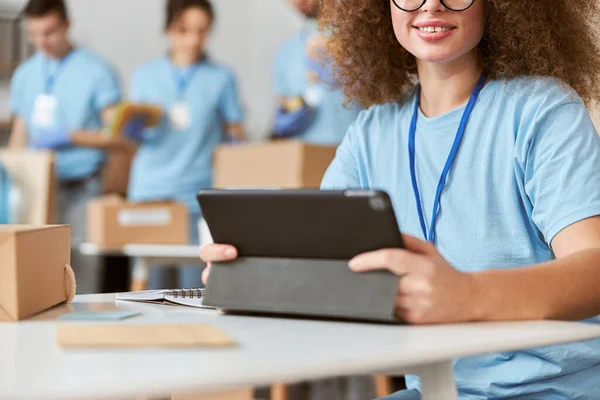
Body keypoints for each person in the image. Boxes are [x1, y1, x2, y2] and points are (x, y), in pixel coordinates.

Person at [201, 0, 600, 398]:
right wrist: (252, 277)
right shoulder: (369, 134)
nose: (431, 6)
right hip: (437, 390)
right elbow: (321, 266)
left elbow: (594, 270)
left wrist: (465, 295)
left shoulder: (543, 112)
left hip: (552, 390)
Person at [9, 0, 125, 294]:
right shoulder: (25, 75)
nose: (41, 42)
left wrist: (71, 136)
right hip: (36, 188)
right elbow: (19, 134)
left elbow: (117, 135)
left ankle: (84, 334)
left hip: (83, 186)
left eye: (49, 32)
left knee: (81, 272)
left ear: (67, 26)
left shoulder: (96, 70)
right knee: (34, 272)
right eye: (33, 34)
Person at [127, 0, 244, 290]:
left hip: (197, 198)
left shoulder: (221, 78)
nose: (193, 40)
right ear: (168, 29)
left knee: (194, 291)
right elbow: (132, 138)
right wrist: (131, 128)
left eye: (202, 31)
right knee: (149, 291)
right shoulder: (145, 76)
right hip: (151, 194)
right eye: (184, 30)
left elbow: (235, 136)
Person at [271, 0, 361, 145]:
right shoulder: (285, 53)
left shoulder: (359, 42)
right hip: (305, 154)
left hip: (353, 148)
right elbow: (283, 106)